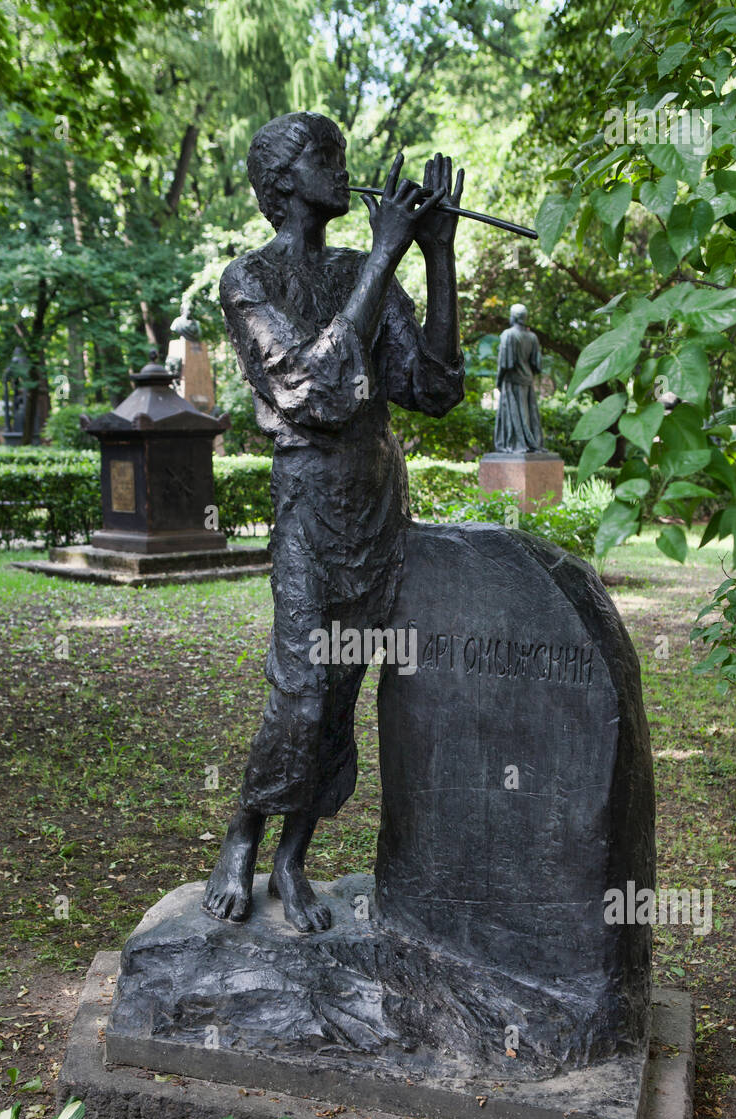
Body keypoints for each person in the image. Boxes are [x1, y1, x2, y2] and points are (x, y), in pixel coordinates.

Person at [203, 111, 464, 932]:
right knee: (302, 690)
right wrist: (386, 256)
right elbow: (309, 394)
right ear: (283, 182)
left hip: (378, 500)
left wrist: (439, 256)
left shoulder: (365, 267)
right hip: (311, 504)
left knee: (344, 690)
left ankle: (292, 855)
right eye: (326, 155)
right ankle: (245, 833)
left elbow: (434, 389)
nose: (344, 167)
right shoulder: (248, 281)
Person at [494, 302, 544, 453]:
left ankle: (516, 443)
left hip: (512, 381)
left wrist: (499, 380)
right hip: (527, 380)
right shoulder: (533, 337)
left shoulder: (508, 335)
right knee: (529, 414)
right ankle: (530, 442)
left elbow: (505, 364)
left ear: (514, 317)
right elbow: (537, 364)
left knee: (513, 414)